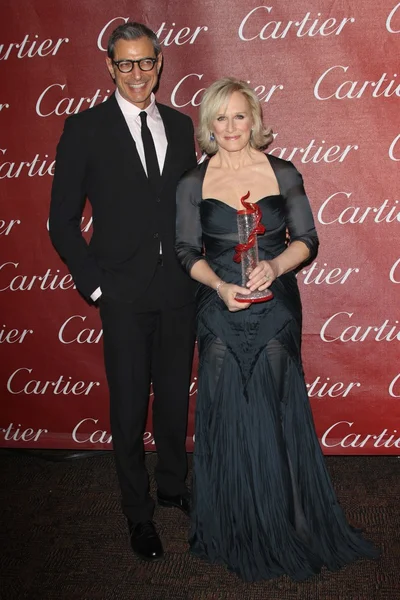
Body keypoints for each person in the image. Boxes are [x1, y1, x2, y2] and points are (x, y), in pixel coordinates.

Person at [175, 77, 379, 581]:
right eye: (220, 117)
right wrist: (221, 288)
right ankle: (232, 522)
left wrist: (277, 267)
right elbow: (186, 253)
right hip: (219, 303)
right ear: (208, 125)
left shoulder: (283, 171)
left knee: (277, 401)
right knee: (224, 403)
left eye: (239, 116)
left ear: (255, 120)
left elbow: (307, 238)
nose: (230, 127)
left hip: (276, 302)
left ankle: (292, 520)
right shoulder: (191, 183)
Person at [49, 22, 197, 562]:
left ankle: (174, 487)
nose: (137, 73)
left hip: (180, 291)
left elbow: (191, 208)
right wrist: (94, 286)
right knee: (130, 406)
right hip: (123, 295)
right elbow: (61, 221)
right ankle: (138, 512)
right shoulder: (84, 128)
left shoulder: (182, 128)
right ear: (110, 68)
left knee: (176, 399)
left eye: (146, 62)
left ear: (160, 63)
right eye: (126, 64)